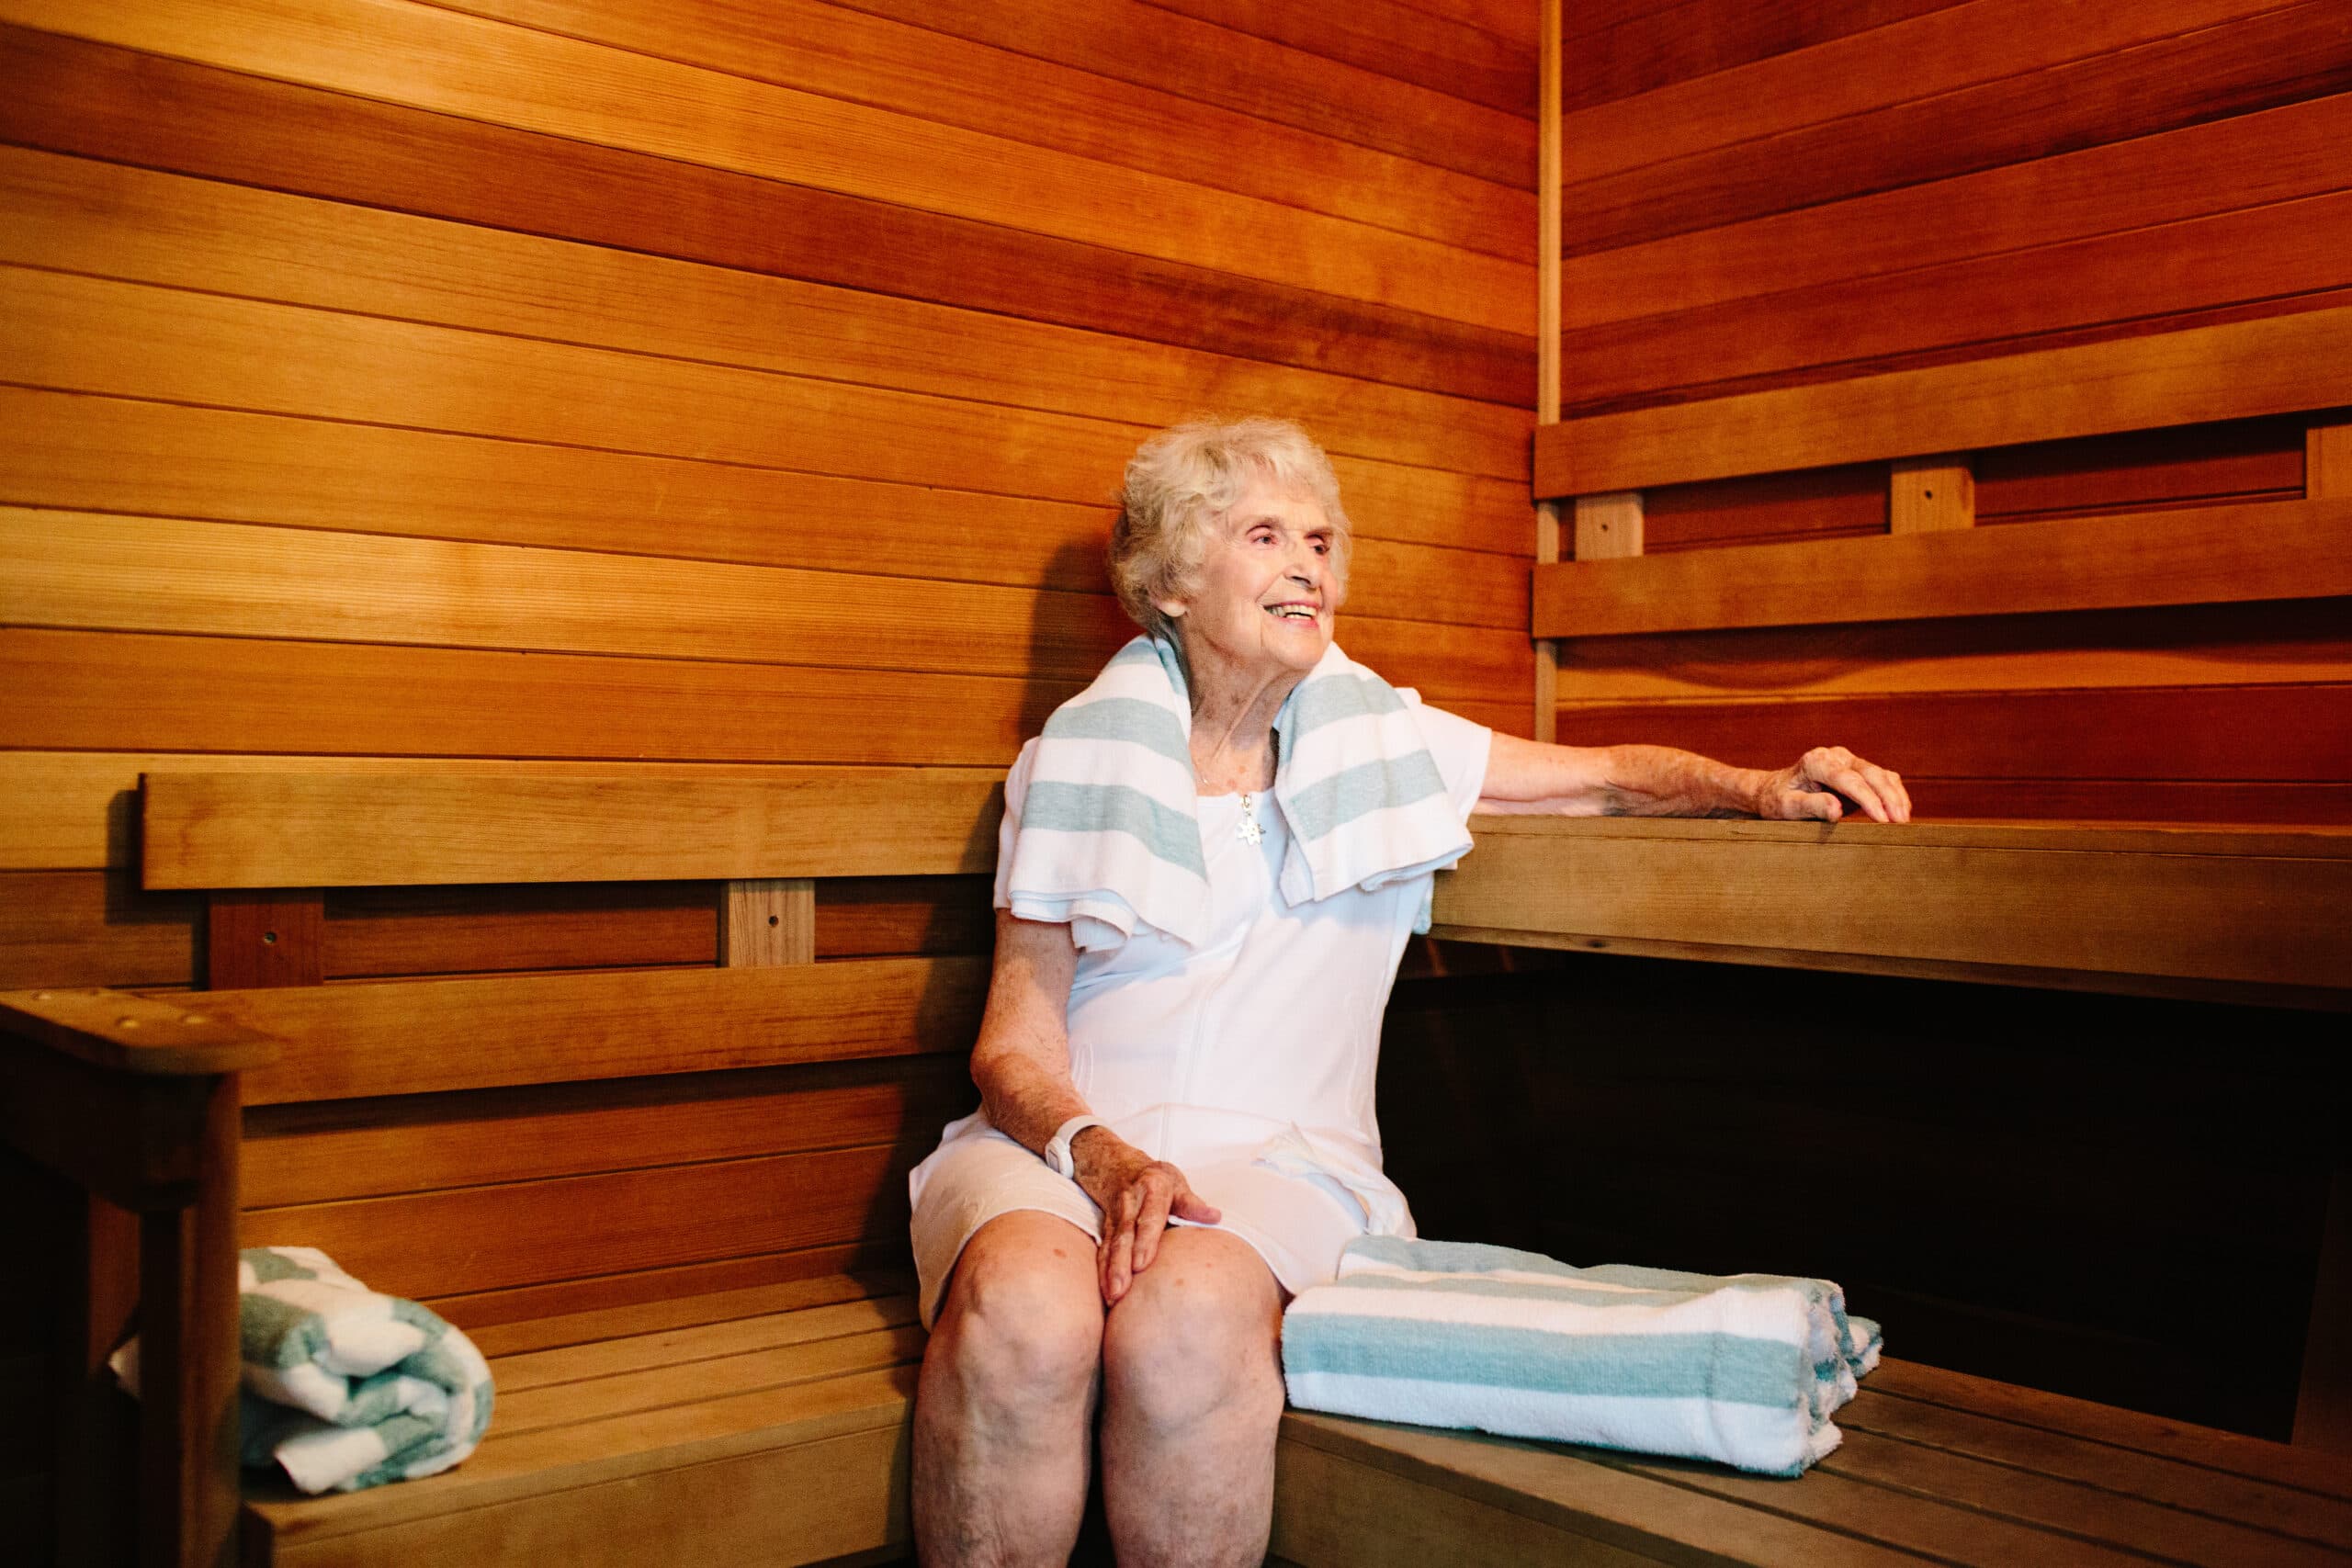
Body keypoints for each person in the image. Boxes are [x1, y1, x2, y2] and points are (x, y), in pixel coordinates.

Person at [909, 418, 1910, 1566]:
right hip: (1057, 1150)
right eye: (1266, 536)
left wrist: (1759, 784)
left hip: (1281, 1165)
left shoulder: (1383, 749)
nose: (1309, 566)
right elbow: (1013, 1046)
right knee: (1024, 1317)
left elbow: (1604, 784)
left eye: (1322, 542)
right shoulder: (1070, 761)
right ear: (1171, 582)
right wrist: (1100, 1152)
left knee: (1182, 1321)